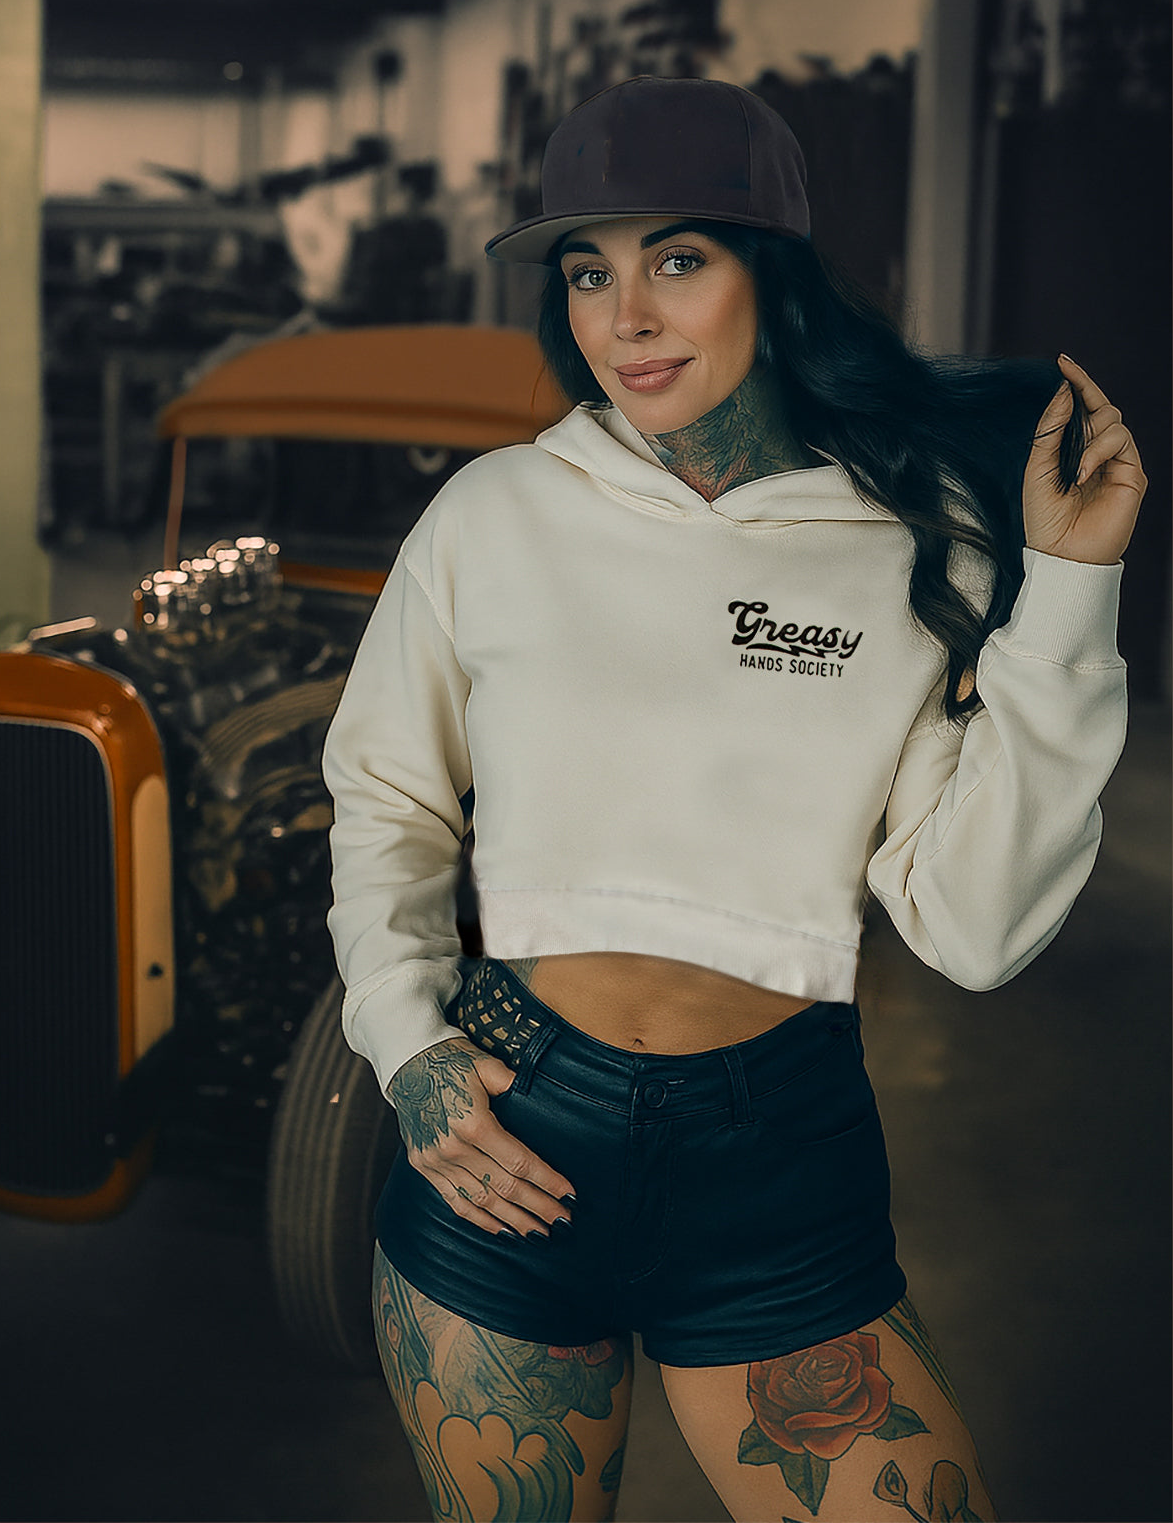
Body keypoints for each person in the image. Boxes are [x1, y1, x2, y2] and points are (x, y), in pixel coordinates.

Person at [321, 76, 1145, 1523]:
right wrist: (409, 1050)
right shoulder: (496, 515)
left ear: (775, 273)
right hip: (515, 1129)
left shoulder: (913, 546)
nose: (624, 317)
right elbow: (384, 797)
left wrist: (1069, 593)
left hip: (779, 1166)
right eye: (590, 272)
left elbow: (975, 925)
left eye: (677, 260)